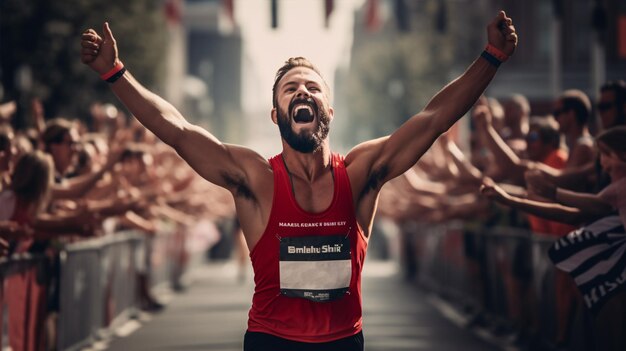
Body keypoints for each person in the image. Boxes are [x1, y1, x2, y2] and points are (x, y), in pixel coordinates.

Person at [80, 11, 517, 349]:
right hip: (271, 343)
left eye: (312, 87)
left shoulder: (362, 172)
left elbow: (434, 118)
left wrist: (491, 58)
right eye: (290, 89)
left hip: (344, 343)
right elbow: (176, 130)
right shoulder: (254, 177)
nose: (302, 92)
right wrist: (115, 73)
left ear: (329, 110)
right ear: (276, 115)